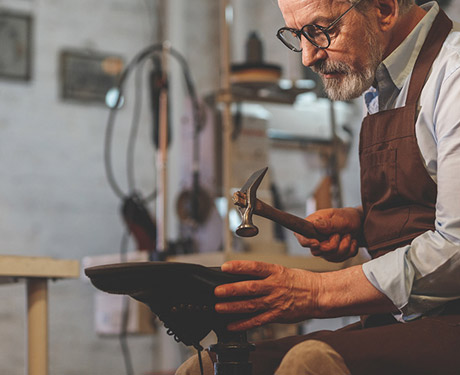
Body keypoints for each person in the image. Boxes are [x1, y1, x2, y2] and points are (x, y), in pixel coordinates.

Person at [177, 0, 460, 374]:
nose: (308, 56)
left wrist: (316, 292)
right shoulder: (382, 80)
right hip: (403, 321)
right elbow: (430, 198)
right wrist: (363, 223)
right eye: (297, 36)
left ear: (384, 9)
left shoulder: (452, 77)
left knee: (309, 364)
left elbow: (456, 246)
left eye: (320, 30)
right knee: (202, 368)